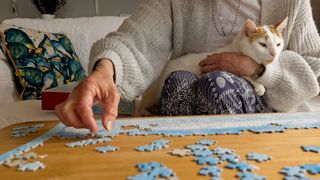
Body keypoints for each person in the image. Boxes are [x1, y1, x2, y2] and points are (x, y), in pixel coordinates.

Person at [55, 0, 320, 133]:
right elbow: (134, 38)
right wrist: (104, 72)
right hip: (187, 113)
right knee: (178, 80)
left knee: (217, 83)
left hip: (269, 113)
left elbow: (315, 66)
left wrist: (257, 69)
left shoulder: (292, 2)